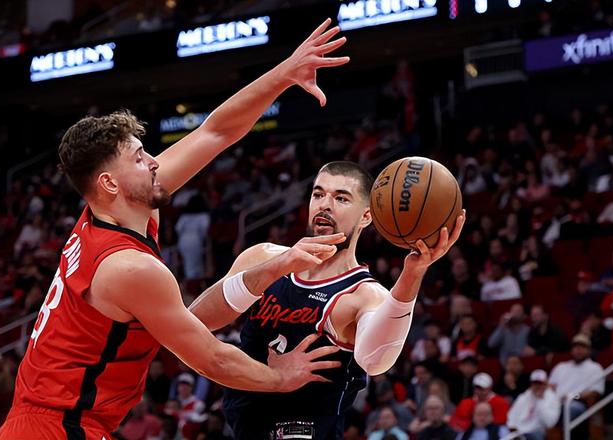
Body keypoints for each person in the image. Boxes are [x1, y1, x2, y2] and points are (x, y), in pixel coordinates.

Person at [0, 18, 350, 439]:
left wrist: (285, 73)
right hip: (58, 427)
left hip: (50, 421)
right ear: (109, 183)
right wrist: (281, 378)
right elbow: (211, 358)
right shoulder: (130, 268)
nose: (153, 162)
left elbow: (216, 131)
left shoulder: (112, 212)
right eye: (139, 158)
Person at [190, 161, 466, 438]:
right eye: (318, 194)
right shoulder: (263, 257)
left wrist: (411, 276)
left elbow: (375, 362)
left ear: (366, 216)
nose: (324, 205)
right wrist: (274, 268)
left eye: (341, 198)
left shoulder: (365, 295)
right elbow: (194, 321)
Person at [548, 334, 605, 422]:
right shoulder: (561, 367)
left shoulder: (595, 368)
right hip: (555, 402)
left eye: (582, 346)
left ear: (589, 350)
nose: (578, 349)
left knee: (570, 408)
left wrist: (572, 397)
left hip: (577, 403)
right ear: (571, 350)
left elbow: (594, 393)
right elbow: (550, 387)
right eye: (575, 346)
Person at [507, 370, 560, 440]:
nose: (537, 386)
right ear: (531, 384)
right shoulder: (524, 396)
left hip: (537, 431)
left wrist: (540, 401)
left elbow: (550, 423)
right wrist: (513, 429)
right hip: (519, 431)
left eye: (540, 383)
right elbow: (512, 416)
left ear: (545, 384)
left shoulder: (552, 398)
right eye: (535, 383)